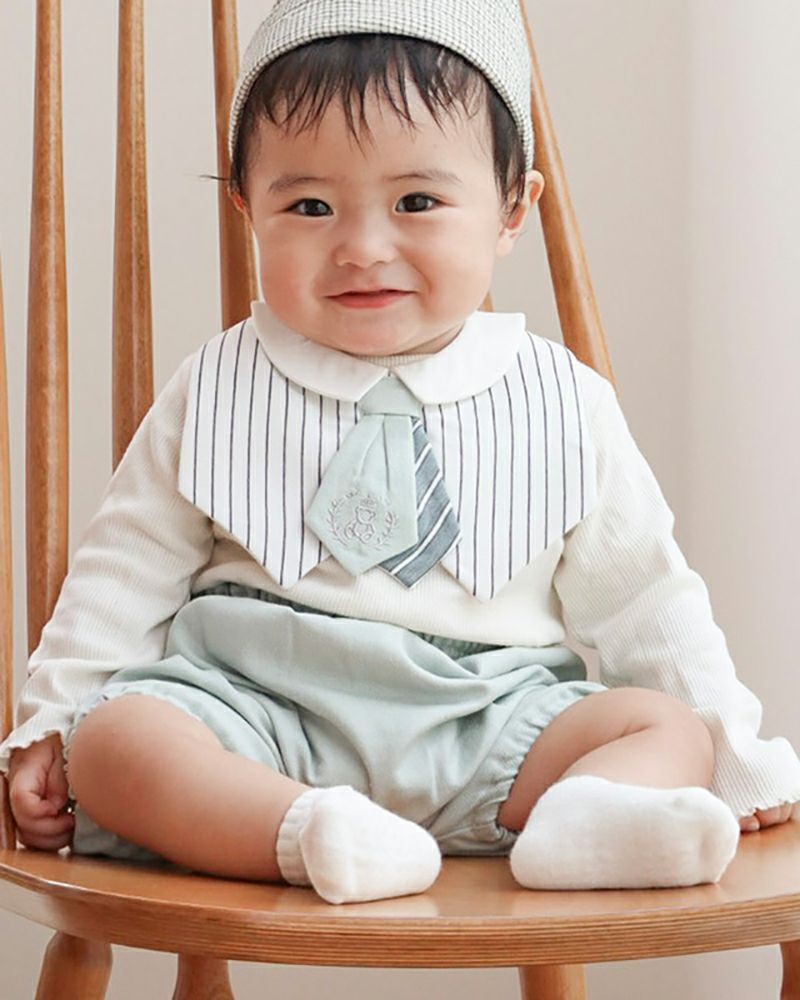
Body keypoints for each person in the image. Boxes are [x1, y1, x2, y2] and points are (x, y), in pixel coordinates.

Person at [2, 0, 798, 905]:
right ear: (247, 210)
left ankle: (582, 820)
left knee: (665, 729)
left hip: (493, 723)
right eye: (309, 206)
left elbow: (646, 596)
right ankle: (307, 833)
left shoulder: (565, 399)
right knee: (118, 740)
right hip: (259, 716)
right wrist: (52, 720)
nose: (362, 247)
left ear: (511, 209)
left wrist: (736, 757)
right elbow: (123, 570)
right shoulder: (216, 384)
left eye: (417, 202)